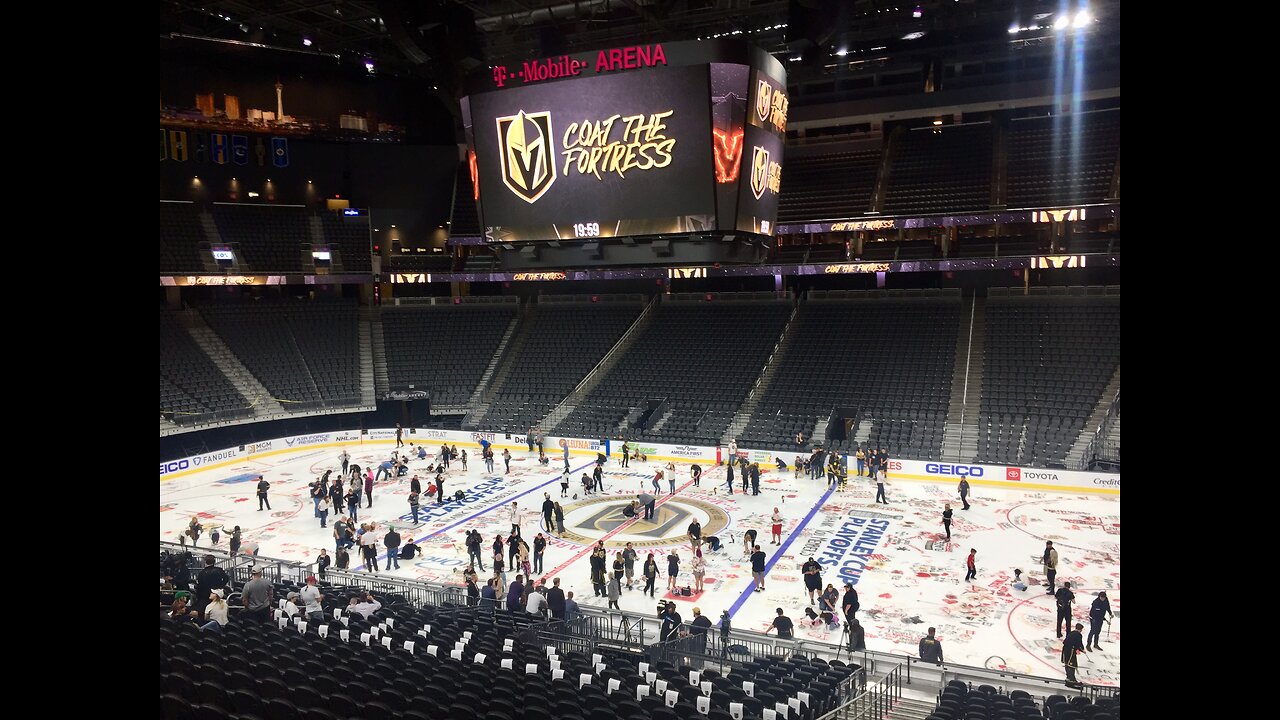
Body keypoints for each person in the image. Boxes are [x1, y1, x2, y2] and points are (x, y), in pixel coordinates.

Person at [193, 555, 229, 621]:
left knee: (204, 614)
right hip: (216, 594)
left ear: (205, 562)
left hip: (204, 596)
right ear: (214, 562)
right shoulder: (219, 570)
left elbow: (199, 586)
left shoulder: (202, 573)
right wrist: (221, 586)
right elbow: (226, 578)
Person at [1062, 622, 1086, 687]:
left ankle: (1068, 677)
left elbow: (1064, 641)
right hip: (1071, 650)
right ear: (1080, 629)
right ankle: (1072, 680)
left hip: (1065, 649)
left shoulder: (1071, 633)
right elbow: (1078, 644)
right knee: (1072, 665)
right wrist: (1082, 649)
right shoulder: (1078, 635)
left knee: (1067, 663)